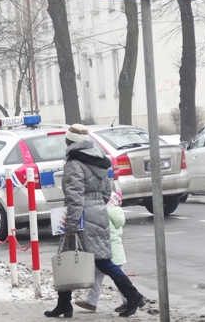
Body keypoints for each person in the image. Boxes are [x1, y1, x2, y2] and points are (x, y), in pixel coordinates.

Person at [45, 124, 145, 318]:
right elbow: (107, 191)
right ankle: (64, 303)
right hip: (97, 212)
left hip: (81, 216)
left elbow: (75, 197)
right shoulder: (97, 160)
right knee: (97, 258)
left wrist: (71, 224)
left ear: (70, 141)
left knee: (99, 261)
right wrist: (97, 205)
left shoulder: (75, 163)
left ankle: (133, 295)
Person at [75, 191, 128, 313]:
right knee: (114, 276)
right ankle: (91, 301)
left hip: (106, 248)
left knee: (108, 277)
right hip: (116, 249)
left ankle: (92, 301)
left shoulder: (104, 213)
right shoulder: (117, 213)